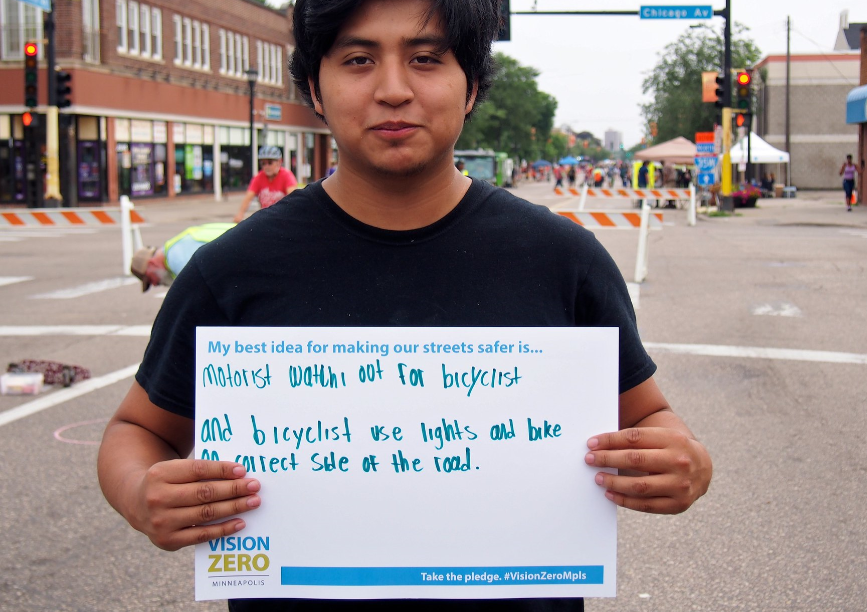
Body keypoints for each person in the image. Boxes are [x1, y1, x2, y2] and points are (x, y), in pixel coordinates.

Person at [97, 3, 712, 612]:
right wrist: (138, 492)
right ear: (315, 85)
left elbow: (650, 415)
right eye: (359, 59)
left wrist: (686, 461)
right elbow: (139, 430)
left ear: (470, 85)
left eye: (426, 59)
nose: (393, 90)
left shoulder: (561, 260)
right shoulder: (230, 270)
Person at [129, 223, 236, 291]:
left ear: (152, 263)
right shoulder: (176, 245)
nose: (155, 284)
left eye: (150, 279)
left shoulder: (176, 259)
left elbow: (201, 292)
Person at [233, 145, 298, 222]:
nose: (266, 166)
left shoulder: (287, 176)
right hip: (266, 218)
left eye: (270, 163)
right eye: (263, 163)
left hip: (284, 218)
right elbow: (248, 197)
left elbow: (294, 198)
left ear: (279, 162)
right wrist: (240, 214)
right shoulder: (259, 177)